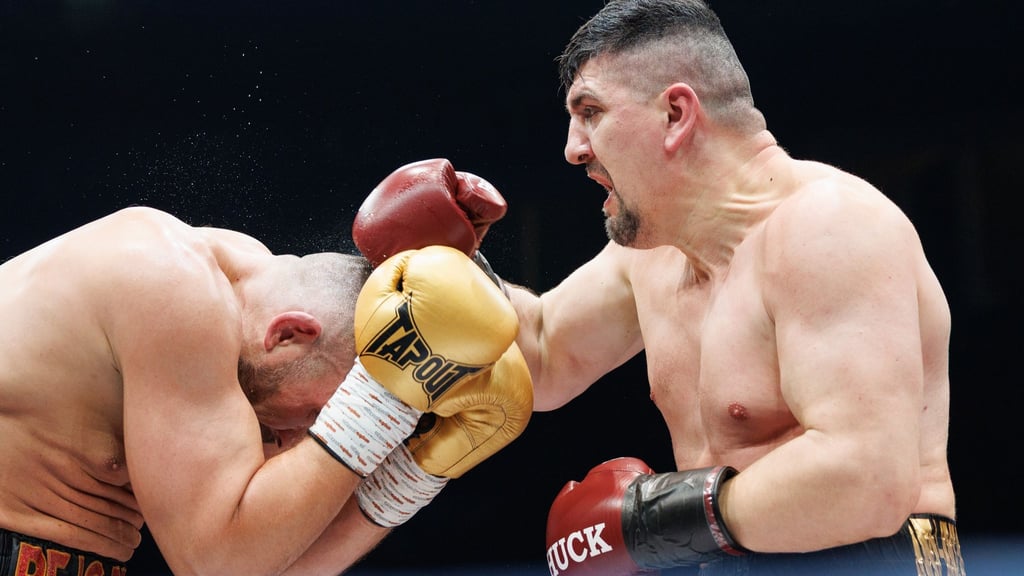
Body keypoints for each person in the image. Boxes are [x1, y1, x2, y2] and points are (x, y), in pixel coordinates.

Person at [348, 0, 965, 573]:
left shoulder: (826, 227)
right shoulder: (654, 254)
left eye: (590, 113)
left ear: (676, 114)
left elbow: (866, 480)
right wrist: (433, 260)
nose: (572, 149)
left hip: (874, 557)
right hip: (728, 556)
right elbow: (541, 349)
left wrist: (650, 520)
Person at [0, 205, 532, 576]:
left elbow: (274, 559)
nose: (310, 432)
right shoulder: (164, 279)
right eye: (334, 408)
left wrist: (417, 471)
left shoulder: (248, 363)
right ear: (289, 335)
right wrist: (381, 402)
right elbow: (216, 563)